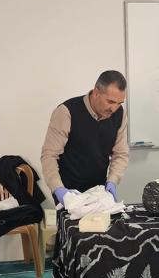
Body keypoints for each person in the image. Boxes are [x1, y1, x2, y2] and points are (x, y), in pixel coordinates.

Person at [41, 71, 129, 206]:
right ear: (96, 92)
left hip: (99, 191)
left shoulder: (119, 114)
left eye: (119, 103)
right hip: (68, 191)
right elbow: (49, 155)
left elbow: (121, 153)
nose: (114, 108)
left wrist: (112, 180)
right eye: (110, 101)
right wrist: (58, 189)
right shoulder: (66, 112)